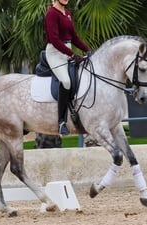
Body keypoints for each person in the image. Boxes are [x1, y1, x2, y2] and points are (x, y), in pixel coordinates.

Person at [44, 0, 91, 135]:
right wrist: (72, 54)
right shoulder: (51, 14)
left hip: (66, 51)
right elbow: (54, 39)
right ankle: (61, 122)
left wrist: (87, 50)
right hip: (54, 52)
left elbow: (74, 37)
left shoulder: (67, 13)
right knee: (66, 81)